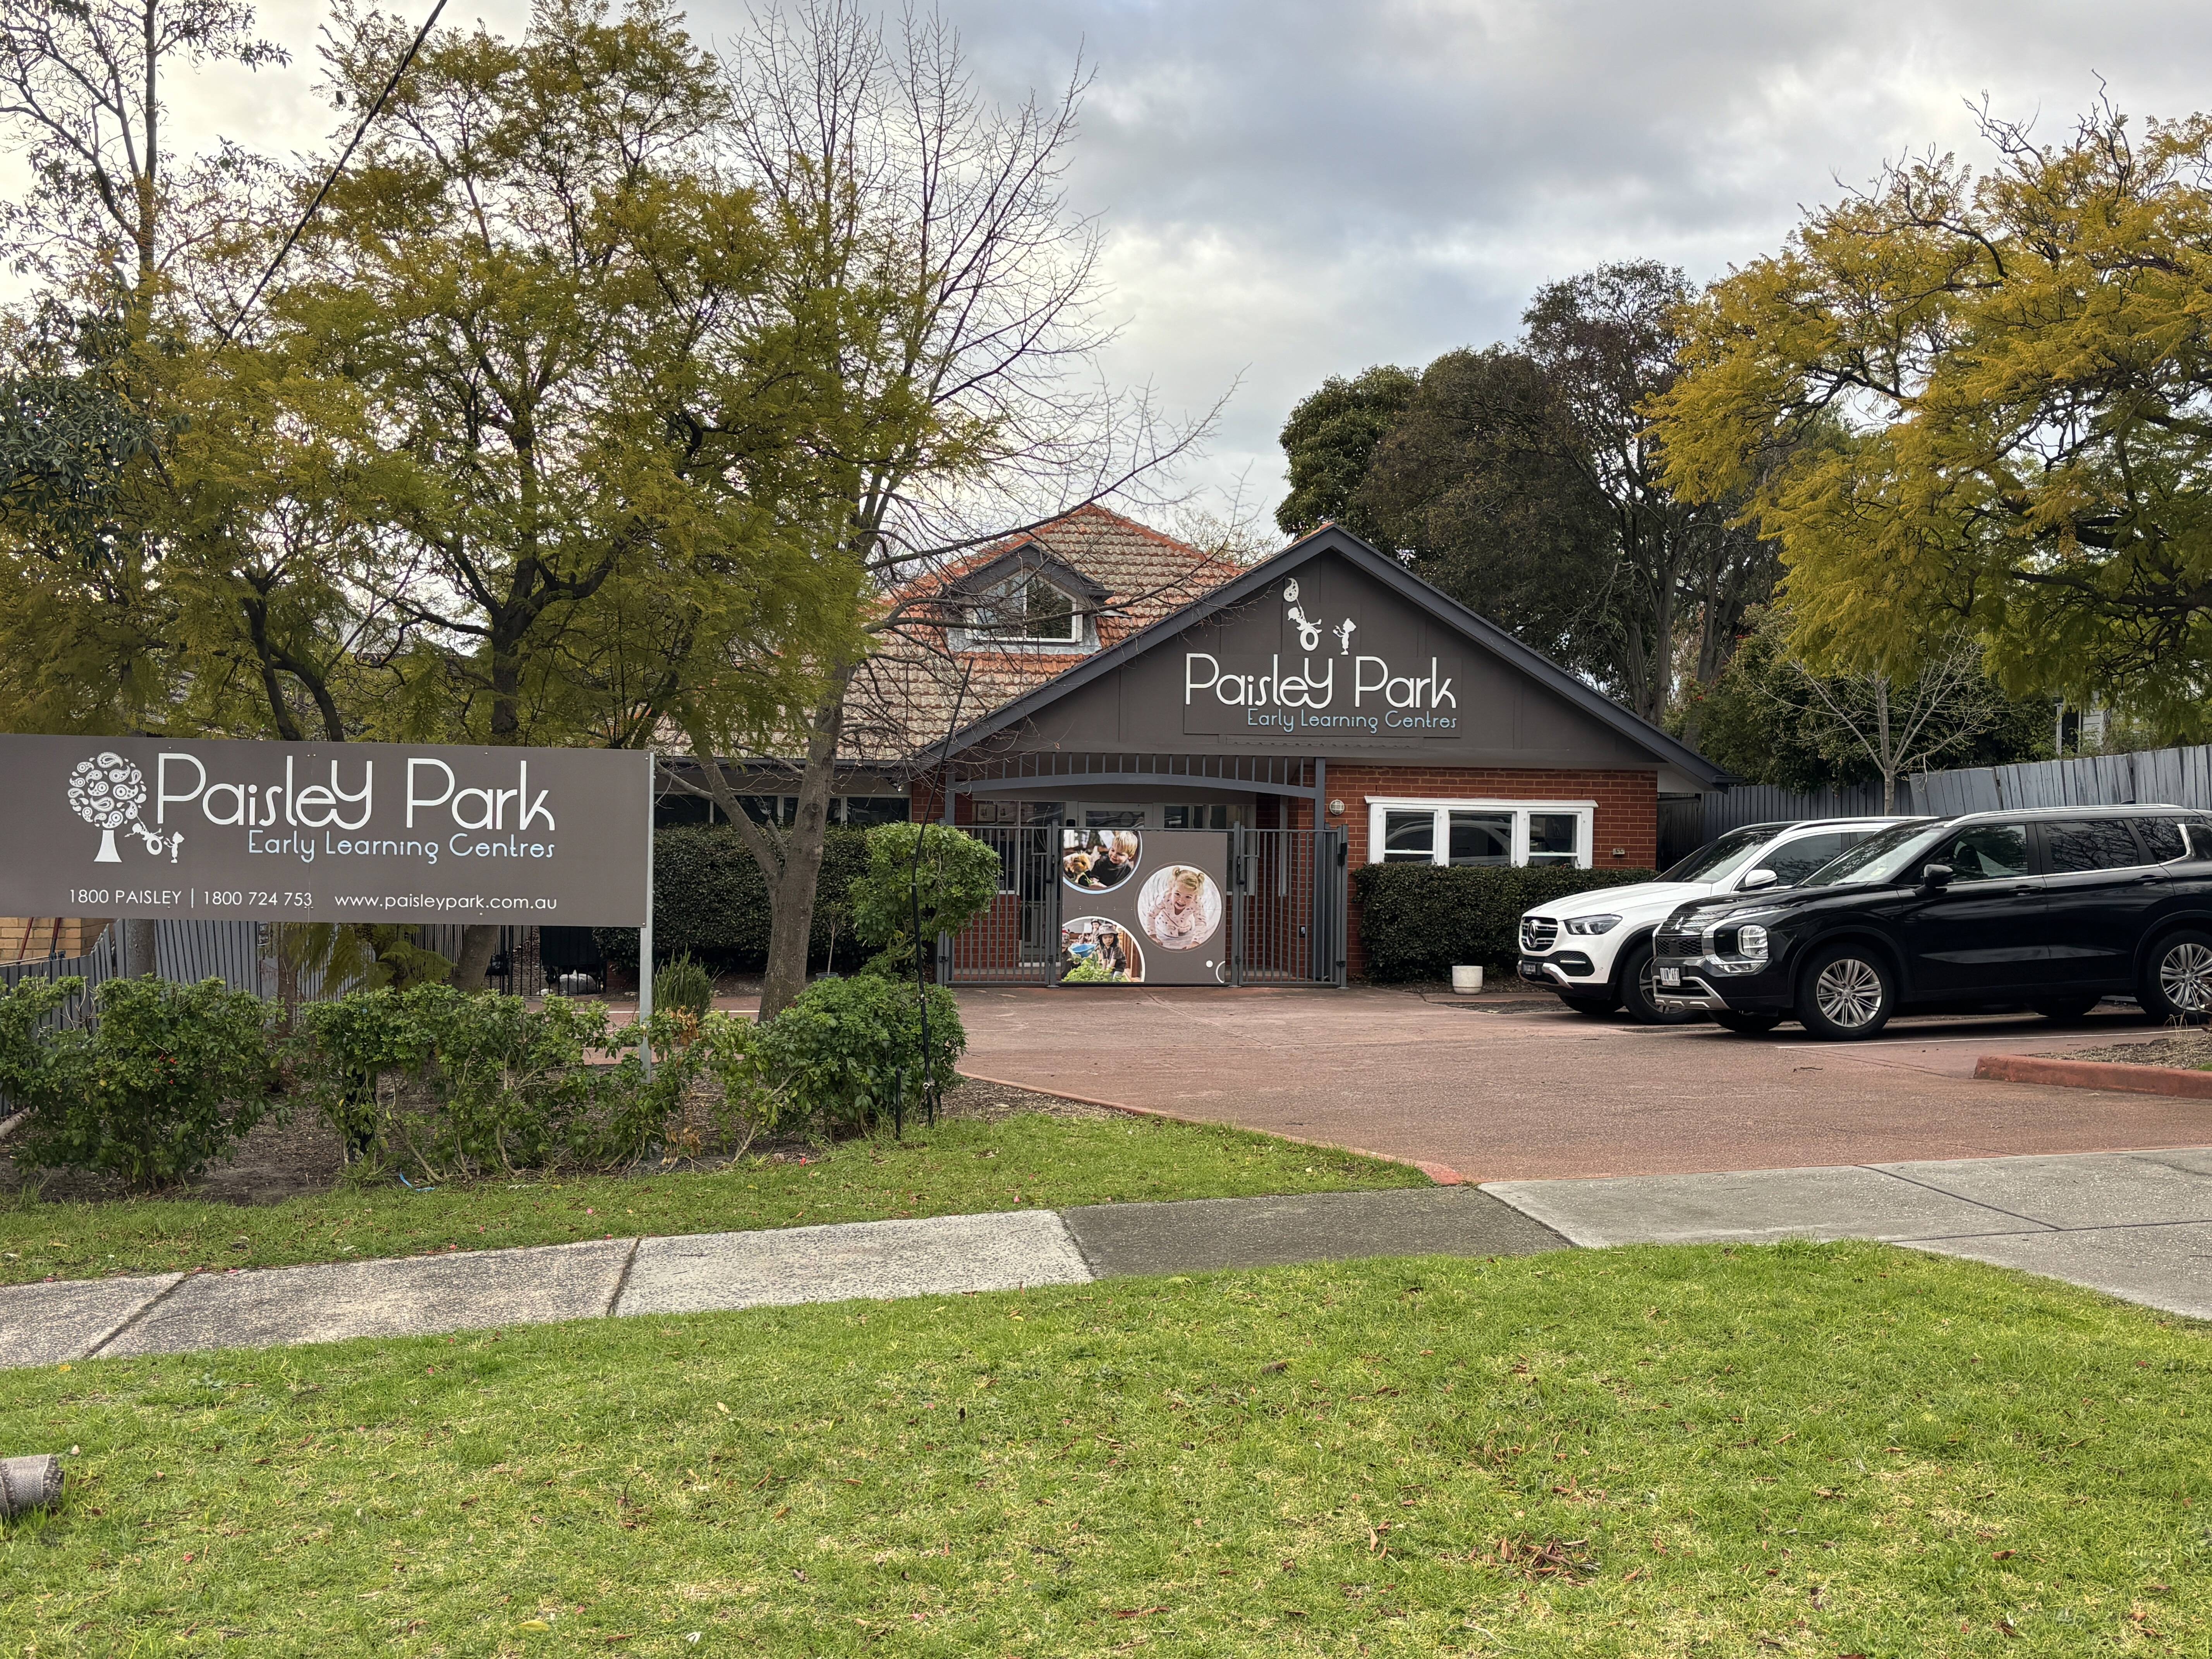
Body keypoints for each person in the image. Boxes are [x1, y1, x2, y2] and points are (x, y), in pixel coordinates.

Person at [1145, 866, 1214, 949]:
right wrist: (1153, 936)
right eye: (1177, 894)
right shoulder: (1165, 897)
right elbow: (1151, 914)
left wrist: (1196, 942)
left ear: (1195, 896)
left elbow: (1201, 922)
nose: (1181, 901)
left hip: (1185, 928)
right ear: (1171, 889)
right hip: (1164, 927)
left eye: (1188, 897)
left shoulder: (1196, 902)